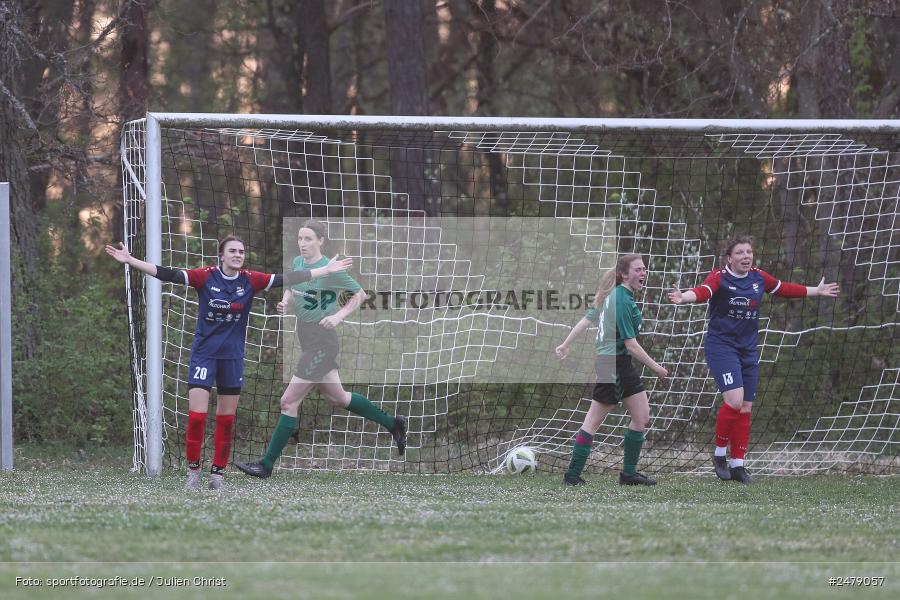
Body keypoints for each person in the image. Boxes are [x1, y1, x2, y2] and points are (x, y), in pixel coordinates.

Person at [105, 236, 352, 490]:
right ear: (221, 255)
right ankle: (193, 473)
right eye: (232, 251)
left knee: (226, 420)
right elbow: (167, 273)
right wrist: (130, 260)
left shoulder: (250, 280)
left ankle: (217, 475)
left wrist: (326, 270)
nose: (237, 255)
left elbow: (287, 278)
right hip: (204, 356)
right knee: (198, 417)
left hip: (232, 359)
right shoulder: (206, 277)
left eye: (241, 251)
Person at [235, 220, 407, 479]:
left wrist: (338, 317)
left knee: (288, 401)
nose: (303, 243)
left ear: (320, 241)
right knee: (338, 399)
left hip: (322, 342)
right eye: (300, 239)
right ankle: (394, 424)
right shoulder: (298, 264)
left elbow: (360, 295)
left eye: (308, 239)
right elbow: (292, 287)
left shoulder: (331, 269)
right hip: (307, 338)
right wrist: (284, 302)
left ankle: (266, 465)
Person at [668, 235, 839, 484]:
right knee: (734, 401)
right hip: (722, 348)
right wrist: (684, 297)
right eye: (740, 253)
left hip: (748, 350)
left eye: (749, 252)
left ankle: (738, 465)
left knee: (746, 407)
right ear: (730, 258)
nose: (746, 256)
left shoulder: (759, 277)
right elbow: (703, 292)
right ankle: (718, 454)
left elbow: (783, 288)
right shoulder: (719, 277)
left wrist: (817, 291)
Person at [555, 254, 668, 486]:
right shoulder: (621, 299)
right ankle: (572, 475)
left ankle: (628, 475)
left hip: (622, 364)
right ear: (624, 274)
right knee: (593, 420)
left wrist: (566, 343)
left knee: (641, 416)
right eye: (638, 269)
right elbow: (631, 345)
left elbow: (585, 321)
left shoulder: (614, 295)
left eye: (644, 269)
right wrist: (657, 367)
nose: (643, 273)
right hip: (611, 363)